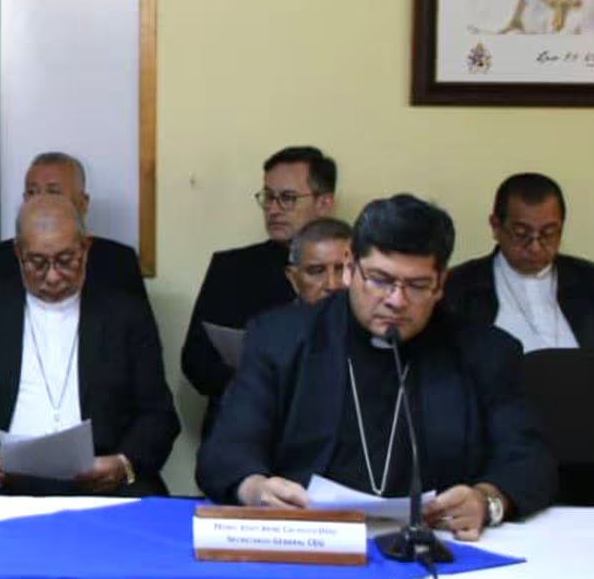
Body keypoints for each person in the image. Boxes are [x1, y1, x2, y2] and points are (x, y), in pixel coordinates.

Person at [197, 196, 555, 540]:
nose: (396, 301)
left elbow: (529, 460)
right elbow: (226, 449)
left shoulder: (484, 351)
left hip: (440, 544)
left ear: (441, 284)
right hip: (310, 543)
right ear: (351, 268)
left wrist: (487, 500)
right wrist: (254, 487)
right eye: (381, 280)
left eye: (417, 285)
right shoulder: (281, 339)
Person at [443, 173, 594, 505]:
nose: (535, 247)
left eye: (549, 234)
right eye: (521, 234)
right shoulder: (459, 289)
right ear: (495, 225)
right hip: (497, 462)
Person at [0, 195, 178, 497]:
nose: (53, 276)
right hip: (1, 480)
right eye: (37, 263)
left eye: (66, 260)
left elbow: (158, 415)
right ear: (18, 253)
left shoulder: (124, 314)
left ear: (86, 247)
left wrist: (122, 462)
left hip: (101, 477)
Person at [182, 145, 337, 433]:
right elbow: (195, 361)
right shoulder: (230, 268)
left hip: (327, 426)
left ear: (324, 204)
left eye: (288, 198)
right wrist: (258, 391)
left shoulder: (352, 270)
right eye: (268, 197)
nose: (274, 209)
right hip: (242, 422)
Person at [0, 152, 151, 312]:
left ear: (83, 204)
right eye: (32, 192)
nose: (41, 202)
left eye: (53, 192)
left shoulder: (118, 262)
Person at [285, 218, 354, 306]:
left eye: (343, 270)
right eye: (317, 271)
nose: (332, 286)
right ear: (293, 279)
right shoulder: (274, 319)